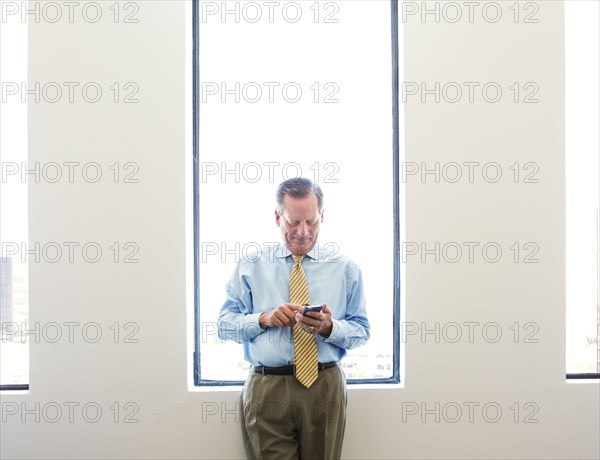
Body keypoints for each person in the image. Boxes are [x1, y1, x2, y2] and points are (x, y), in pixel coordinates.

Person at [217, 177, 370, 460]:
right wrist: (264, 319)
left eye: (311, 222)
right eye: (293, 222)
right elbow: (224, 326)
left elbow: (362, 331)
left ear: (322, 216)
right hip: (267, 387)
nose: (303, 232)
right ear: (278, 217)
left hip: (325, 385)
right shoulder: (250, 265)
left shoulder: (346, 269)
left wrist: (329, 328)